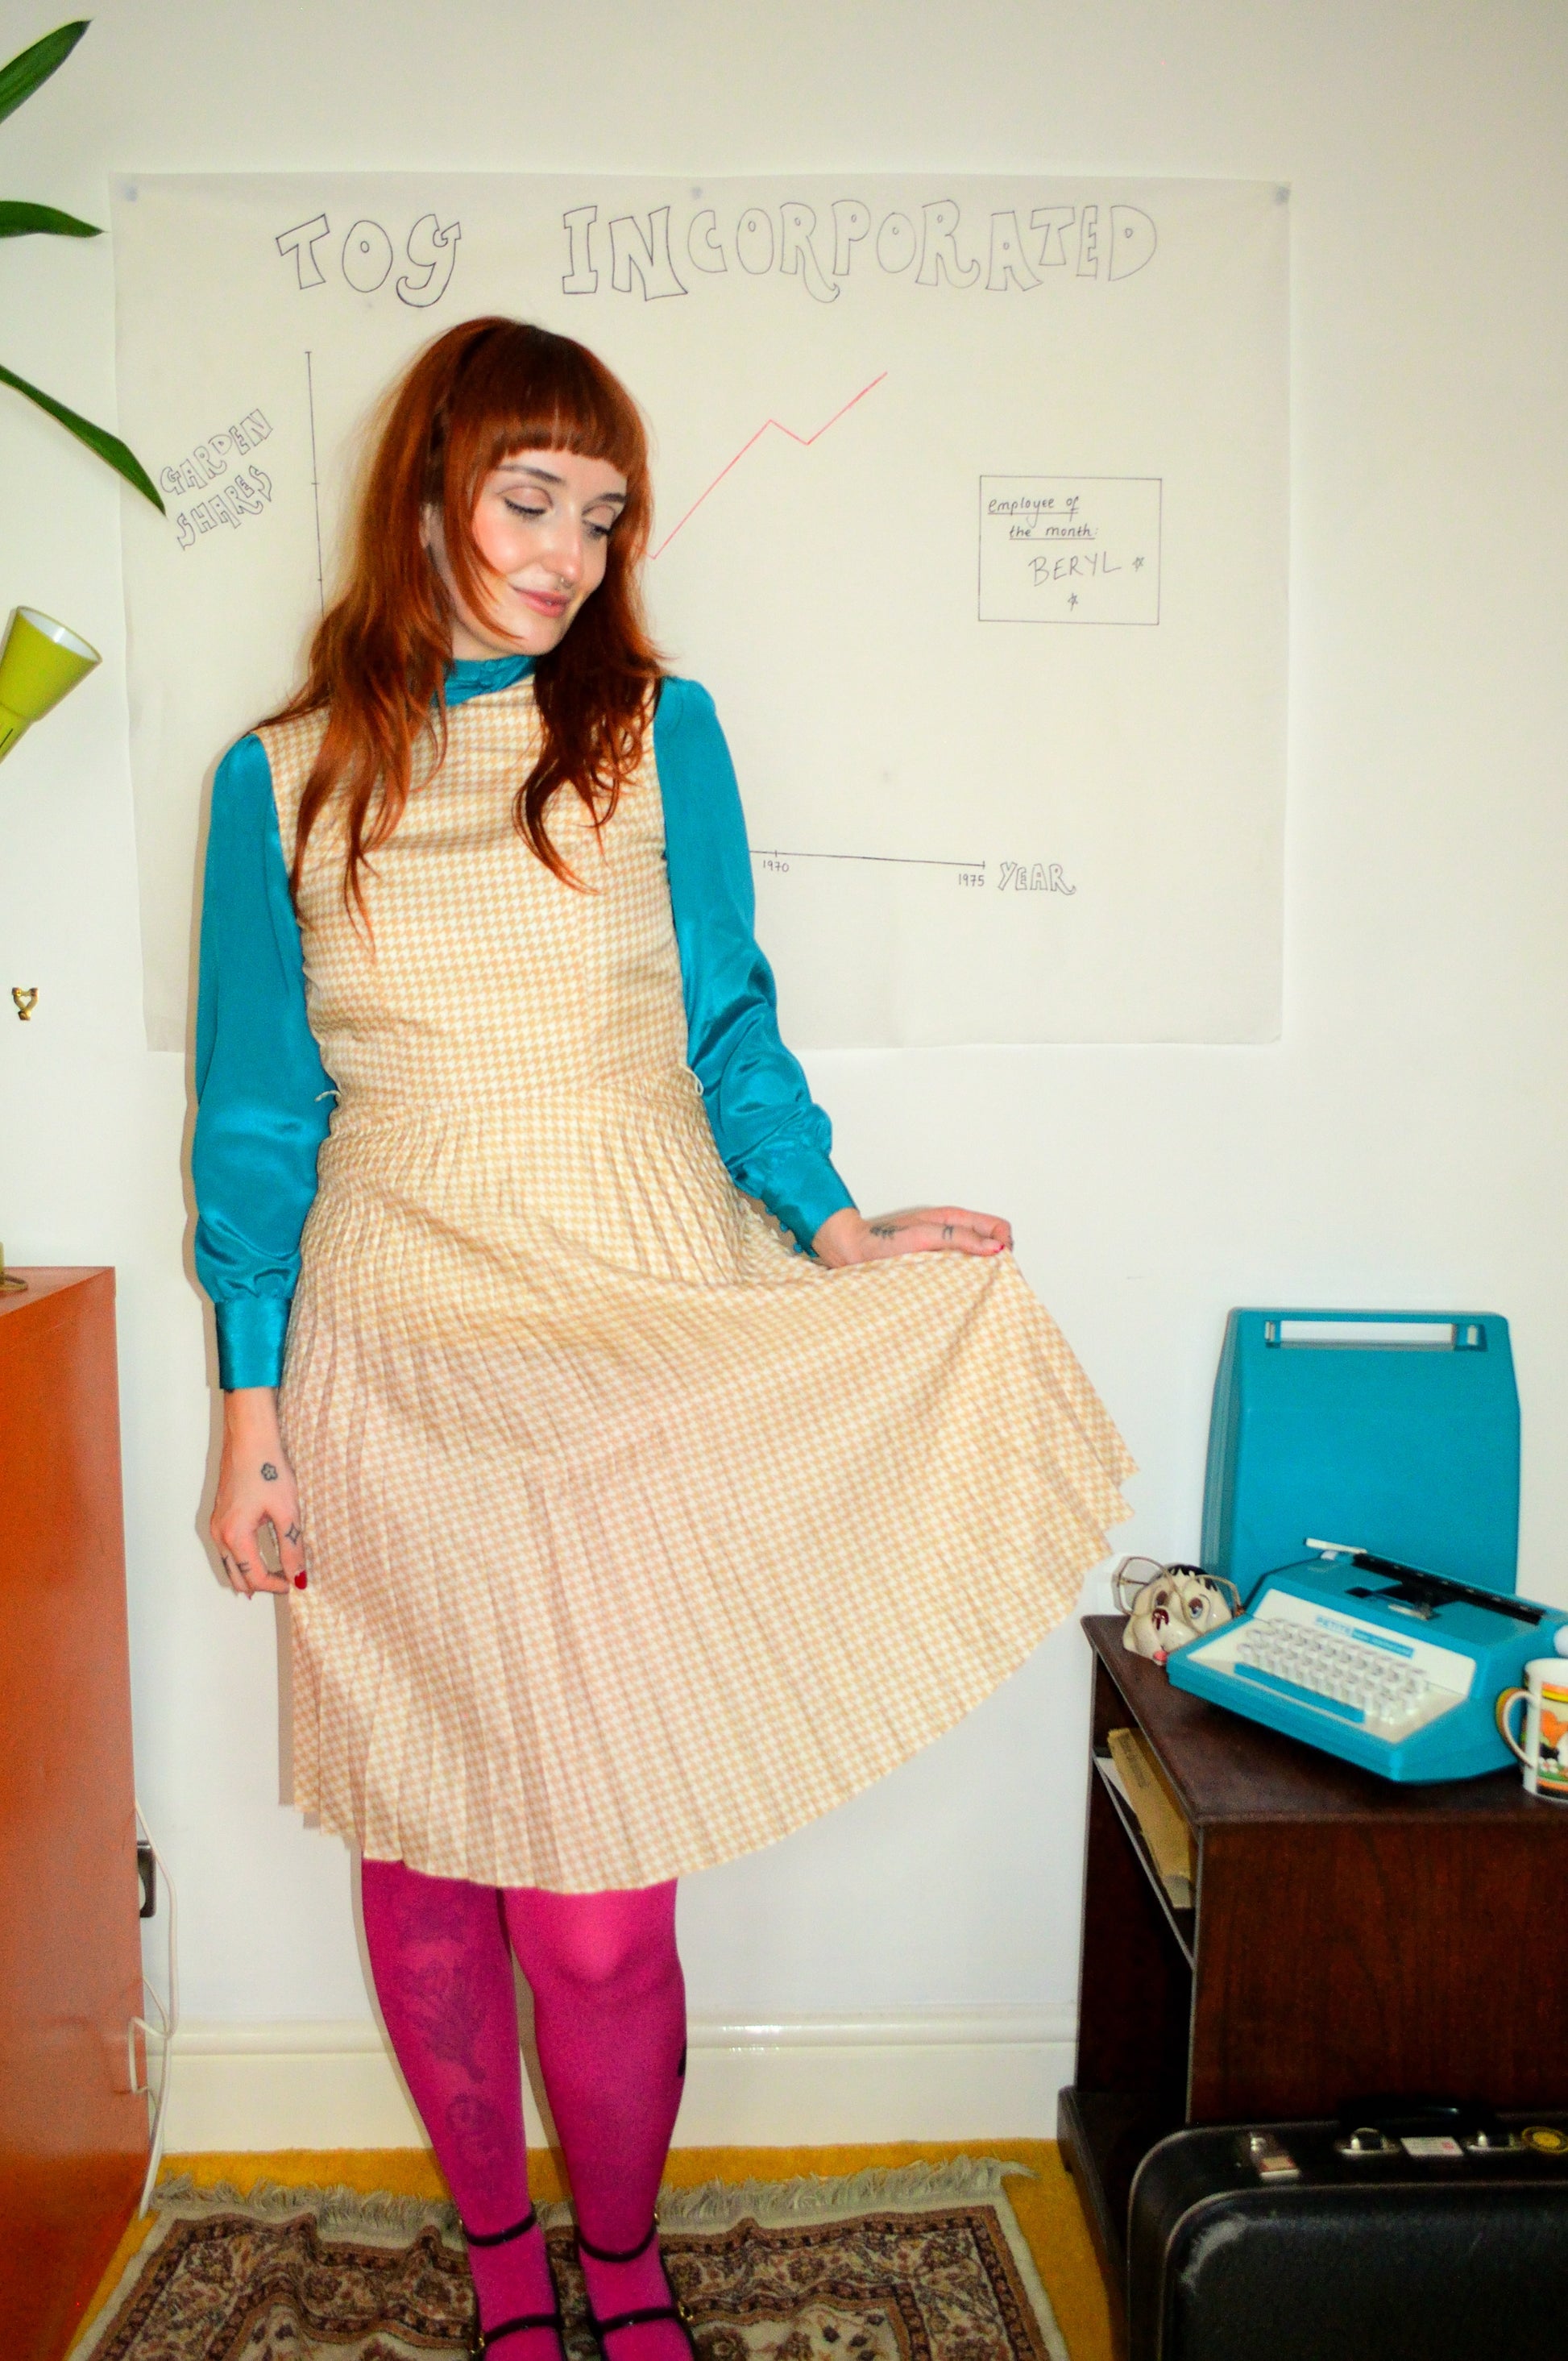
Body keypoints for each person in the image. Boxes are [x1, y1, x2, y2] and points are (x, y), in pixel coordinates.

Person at [193, 316, 1132, 2359]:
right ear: (428, 492)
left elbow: (729, 1025)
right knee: (429, 1857)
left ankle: (620, 2262)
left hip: (627, 1322)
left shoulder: (652, 730)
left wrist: (832, 1221)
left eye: (603, 515)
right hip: (394, 1353)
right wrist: (249, 1404)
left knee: (599, 1911)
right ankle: (501, 2272)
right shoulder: (277, 778)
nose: (569, 553)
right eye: (530, 501)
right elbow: (259, 1115)